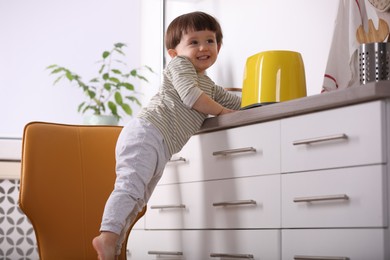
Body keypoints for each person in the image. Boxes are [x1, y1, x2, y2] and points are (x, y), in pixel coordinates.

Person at [92, 11, 241, 259]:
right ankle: (106, 236)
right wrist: (222, 110)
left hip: (160, 143)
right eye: (194, 42)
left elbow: (233, 101)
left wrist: (264, 103)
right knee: (130, 187)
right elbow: (192, 97)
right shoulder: (179, 65)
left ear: (219, 45)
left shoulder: (208, 84)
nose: (203, 47)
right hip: (147, 132)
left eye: (210, 40)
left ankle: (113, 248)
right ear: (174, 52)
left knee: (138, 199)